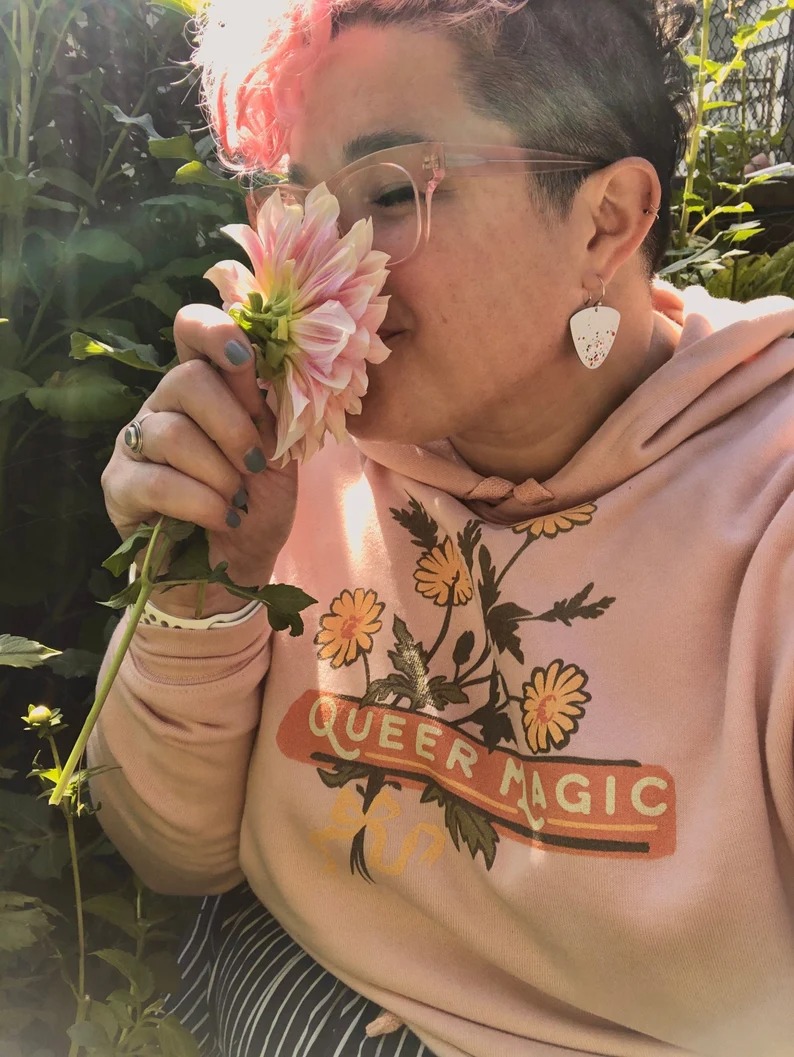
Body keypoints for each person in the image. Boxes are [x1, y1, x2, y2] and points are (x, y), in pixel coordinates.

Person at [87, 1, 794, 1055]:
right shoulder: (296, 446)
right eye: (298, 201)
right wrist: (204, 582)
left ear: (604, 221)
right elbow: (172, 859)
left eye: (384, 193)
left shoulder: (766, 517)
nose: (325, 269)